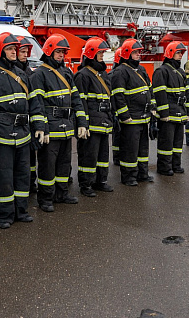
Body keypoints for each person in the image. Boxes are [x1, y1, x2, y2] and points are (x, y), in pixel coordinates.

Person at [0, 32, 45, 227]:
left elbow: (34, 103)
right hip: (2, 136)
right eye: (10, 49)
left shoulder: (22, 74)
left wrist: (38, 126)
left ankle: (20, 211)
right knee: (2, 177)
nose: (14, 52)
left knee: (22, 175)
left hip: (23, 134)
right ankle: (2, 216)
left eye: (15, 49)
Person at [30, 34, 88, 211]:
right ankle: (46, 198)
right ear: (48, 51)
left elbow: (76, 99)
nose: (61, 55)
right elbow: (37, 103)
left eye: (63, 52)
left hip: (66, 126)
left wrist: (82, 122)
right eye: (58, 51)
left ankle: (61, 193)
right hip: (51, 127)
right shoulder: (39, 75)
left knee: (64, 163)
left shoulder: (66, 73)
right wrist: (42, 127)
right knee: (48, 165)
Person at [111, 39, 155, 186]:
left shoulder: (141, 70)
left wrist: (152, 110)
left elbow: (150, 90)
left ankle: (142, 173)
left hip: (143, 117)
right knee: (130, 149)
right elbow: (119, 96)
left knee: (143, 149)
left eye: (138, 52)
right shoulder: (120, 72)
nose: (138, 55)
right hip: (131, 119)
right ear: (127, 53)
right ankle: (129, 176)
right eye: (135, 52)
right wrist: (125, 116)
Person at [74, 37, 114, 195]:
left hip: (103, 120)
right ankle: (86, 184)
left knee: (103, 155)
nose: (102, 56)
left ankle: (101, 181)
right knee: (89, 155)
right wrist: (83, 124)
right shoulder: (82, 75)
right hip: (91, 124)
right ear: (91, 54)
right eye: (100, 53)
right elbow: (80, 102)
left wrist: (112, 117)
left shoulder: (102, 74)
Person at [152, 41, 189, 174]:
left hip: (179, 112)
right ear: (170, 53)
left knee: (177, 143)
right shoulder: (161, 71)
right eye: (178, 53)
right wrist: (164, 114)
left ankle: (176, 165)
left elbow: (187, 92)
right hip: (168, 115)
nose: (181, 55)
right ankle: (164, 167)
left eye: (181, 53)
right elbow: (159, 94)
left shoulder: (180, 71)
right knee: (166, 143)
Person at [14, 36, 38, 193]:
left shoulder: (30, 72)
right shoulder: (10, 73)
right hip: (16, 124)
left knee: (31, 156)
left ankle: (31, 182)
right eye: (22, 51)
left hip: (29, 121)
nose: (25, 55)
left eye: (26, 52)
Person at [110, 48, 123, 165]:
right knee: (118, 134)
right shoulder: (115, 74)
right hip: (116, 110)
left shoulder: (114, 73)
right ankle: (117, 157)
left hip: (119, 110)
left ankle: (118, 157)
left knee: (119, 134)